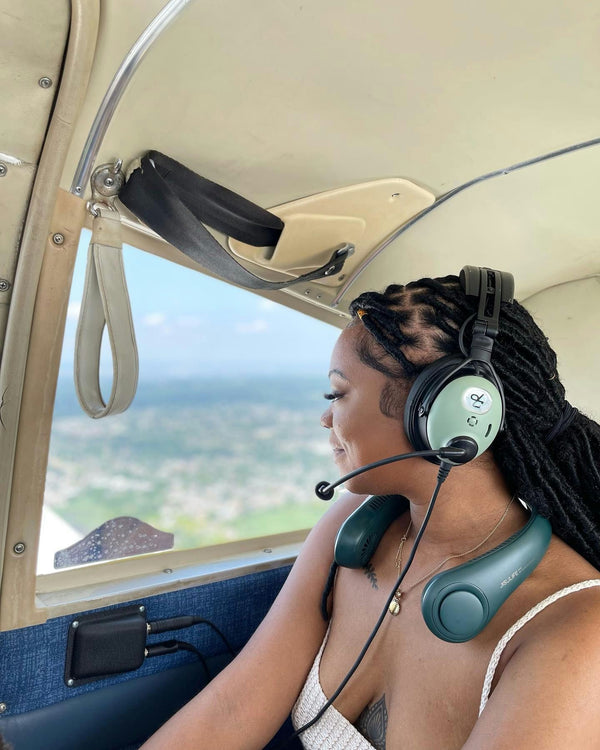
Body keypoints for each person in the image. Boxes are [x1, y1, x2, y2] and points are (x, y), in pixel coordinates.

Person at [141, 272, 600, 749]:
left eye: (337, 394)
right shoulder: (351, 529)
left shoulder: (576, 630)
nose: (325, 417)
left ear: (448, 412)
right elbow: (229, 712)